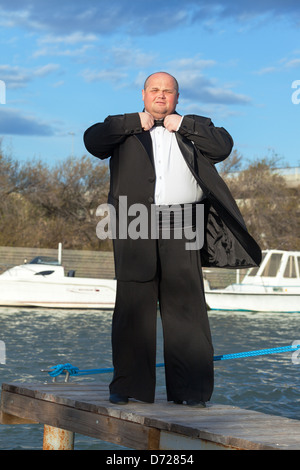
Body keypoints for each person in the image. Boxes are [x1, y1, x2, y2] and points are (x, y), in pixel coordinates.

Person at [84, 72, 261, 407]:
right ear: (144, 94)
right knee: (133, 307)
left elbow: (223, 147)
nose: (161, 95)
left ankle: (191, 392)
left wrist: (184, 125)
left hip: (183, 220)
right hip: (133, 221)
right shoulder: (122, 127)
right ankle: (129, 387)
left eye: (168, 91)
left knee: (186, 308)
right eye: (155, 90)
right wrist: (133, 122)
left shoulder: (195, 126)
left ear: (177, 97)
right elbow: (93, 141)